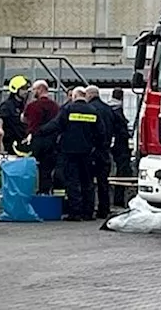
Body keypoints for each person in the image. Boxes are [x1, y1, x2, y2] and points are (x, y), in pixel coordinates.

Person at [38, 87, 107, 221]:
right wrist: (95, 147)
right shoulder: (93, 111)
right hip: (87, 152)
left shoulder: (68, 109)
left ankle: (75, 212)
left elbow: (55, 125)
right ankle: (88, 212)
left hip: (69, 151)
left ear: (74, 96)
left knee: (72, 181)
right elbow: (101, 133)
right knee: (87, 182)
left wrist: (40, 131)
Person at [22, 80, 60, 194]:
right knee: (47, 170)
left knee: (35, 168)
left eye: (34, 90)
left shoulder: (33, 106)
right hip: (52, 142)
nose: (33, 92)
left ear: (40, 89)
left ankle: (34, 192)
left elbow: (24, 119)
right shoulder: (55, 106)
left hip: (37, 141)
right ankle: (46, 192)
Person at [84, 86, 114, 218]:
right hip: (105, 150)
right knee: (103, 182)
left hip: (92, 150)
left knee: (89, 181)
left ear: (90, 95)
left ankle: (89, 209)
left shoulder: (90, 109)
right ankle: (104, 209)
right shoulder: (108, 109)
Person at [108, 88, 133, 208]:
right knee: (122, 173)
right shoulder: (117, 110)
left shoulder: (108, 109)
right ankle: (118, 200)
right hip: (119, 147)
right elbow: (121, 131)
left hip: (109, 145)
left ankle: (111, 200)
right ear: (122, 97)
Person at [0, 75, 31, 154]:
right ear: (16, 90)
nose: (26, 91)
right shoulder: (7, 105)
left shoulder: (25, 106)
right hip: (10, 143)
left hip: (22, 141)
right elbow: (0, 118)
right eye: (23, 89)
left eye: (26, 89)